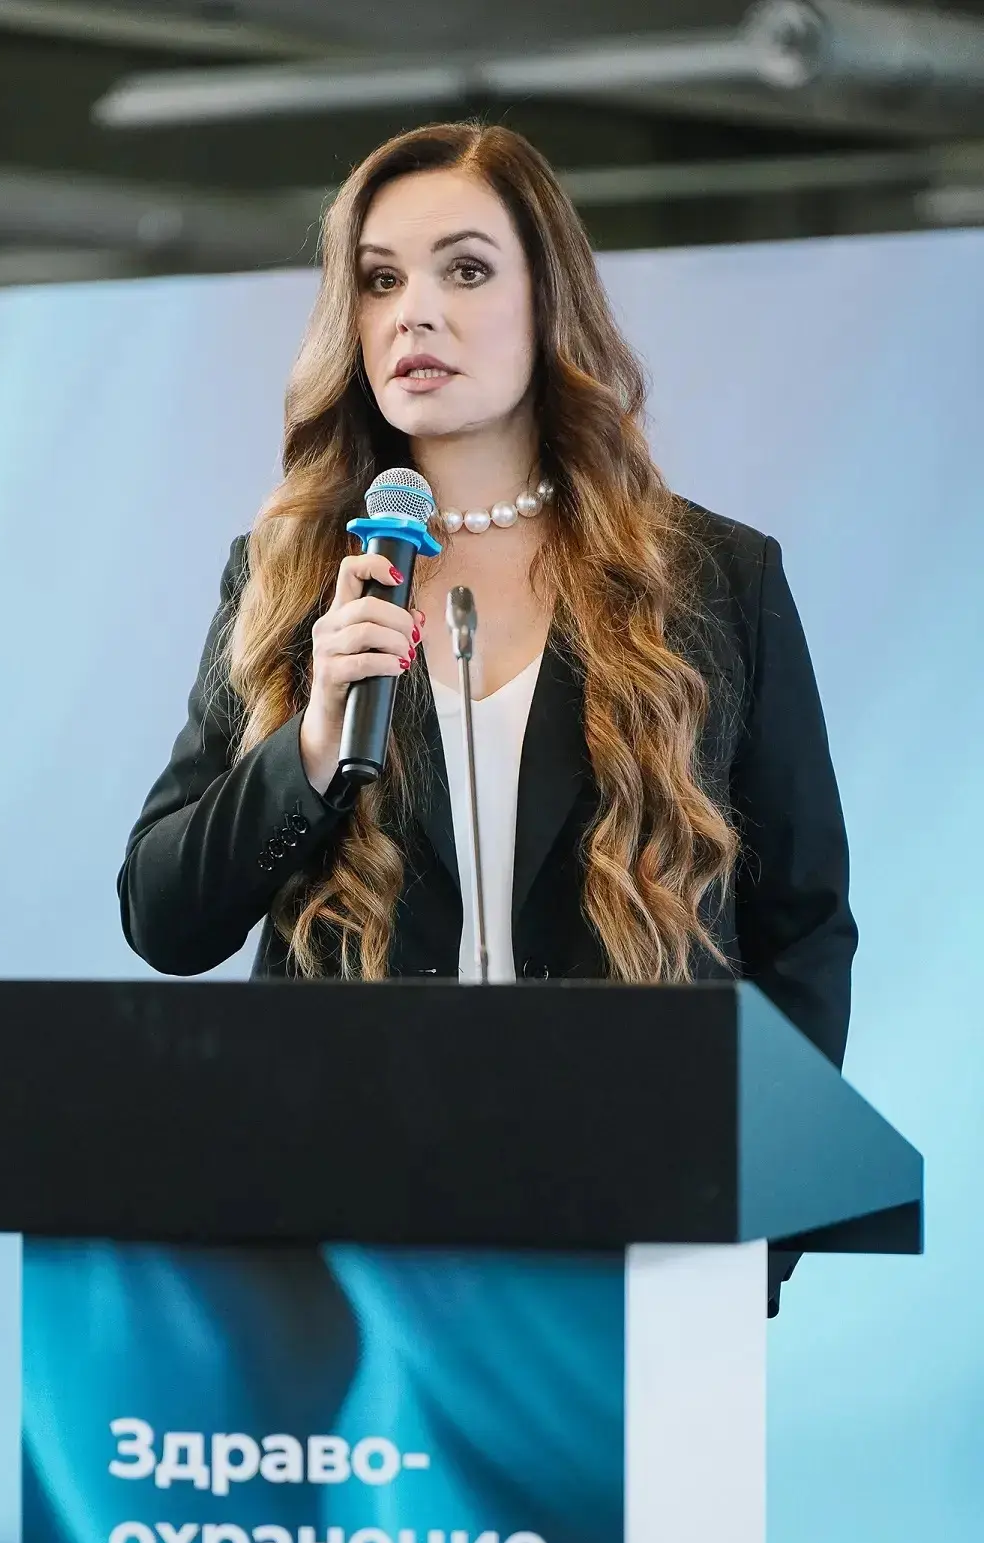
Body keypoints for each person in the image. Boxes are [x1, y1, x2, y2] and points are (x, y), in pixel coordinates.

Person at [118, 121, 858, 1314]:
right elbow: (163, 917)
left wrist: (747, 1234)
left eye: (463, 269)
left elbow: (803, 932)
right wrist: (310, 746)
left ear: (545, 299)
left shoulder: (711, 580)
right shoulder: (288, 578)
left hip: (639, 1233)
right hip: (349, 1262)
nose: (415, 312)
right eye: (379, 280)